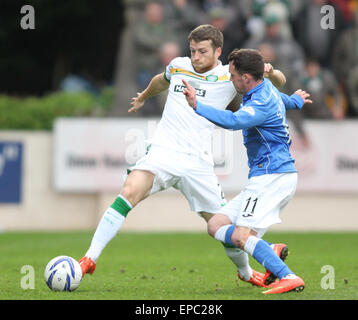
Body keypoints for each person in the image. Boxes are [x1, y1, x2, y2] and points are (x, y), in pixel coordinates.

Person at [79, 25, 288, 288]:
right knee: (128, 192)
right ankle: (89, 258)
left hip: (198, 163)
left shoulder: (231, 76)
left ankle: (246, 273)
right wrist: (143, 96)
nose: (196, 57)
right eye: (192, 51)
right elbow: (160, 80)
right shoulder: (179, 65)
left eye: (202, 52)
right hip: (163, 151)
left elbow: (279, 83)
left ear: (218, 52)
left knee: (221, 227)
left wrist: (271, 71)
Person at [182, 48, 312, 294]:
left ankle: (289, 276)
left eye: (232, 75)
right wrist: (296, 100)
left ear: (246, 77)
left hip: (271, 177)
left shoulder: (259, 102)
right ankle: (268, 250)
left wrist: (198, 106)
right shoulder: (266, 89)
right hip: (271, 176)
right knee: (216, 225)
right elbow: (285, 101)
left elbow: (233, 122)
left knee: (241, 236)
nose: (230, 79)